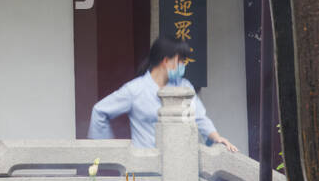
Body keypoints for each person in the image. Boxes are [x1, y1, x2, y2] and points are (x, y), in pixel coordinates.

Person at [87, 36, 240, 151]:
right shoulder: (135, 90)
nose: (183, 65)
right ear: (166, 61)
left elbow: (199, 117)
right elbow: (99, 111)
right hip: (146, 168)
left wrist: (216, 138)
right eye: (181, 60)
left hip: (180, 164)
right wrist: (106, 149)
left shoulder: (184, 86)